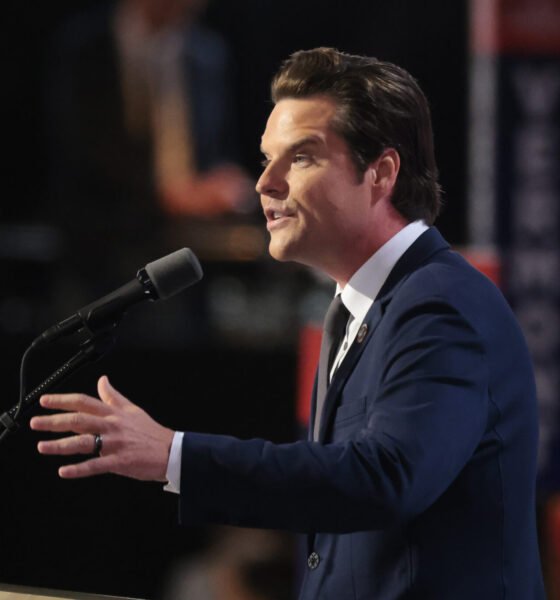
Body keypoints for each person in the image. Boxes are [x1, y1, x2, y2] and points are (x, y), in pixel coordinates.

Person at [30, 48, 545, 599]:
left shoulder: (442, 305)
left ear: (381, 174)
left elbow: (384, 479)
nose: (265, 184)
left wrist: (175, 455)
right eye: (265, 159)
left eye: (300, 157)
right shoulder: (350, 309)